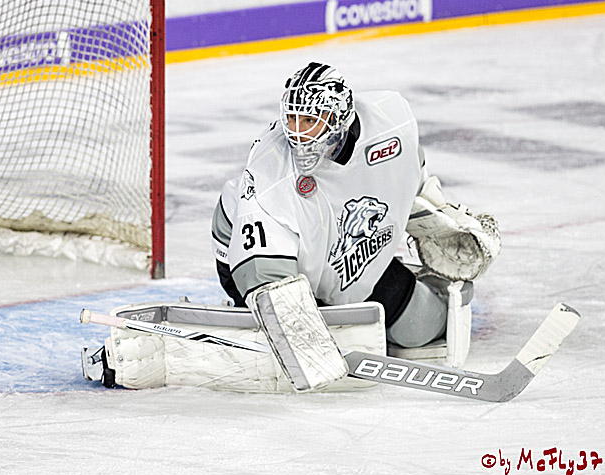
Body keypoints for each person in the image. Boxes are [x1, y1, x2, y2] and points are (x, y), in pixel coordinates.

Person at [211, 61, 498, 351]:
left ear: (339, 118)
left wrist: (434, 214)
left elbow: (409, 168)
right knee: (295, 335)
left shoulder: (390, 120)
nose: (297, 134)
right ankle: (268, 315)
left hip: (344, 259)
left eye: (310, 121)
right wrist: (298, 336)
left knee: (419, 328)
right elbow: (265, 277)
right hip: (262, 264)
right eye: (293, 119)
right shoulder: (270, 172)